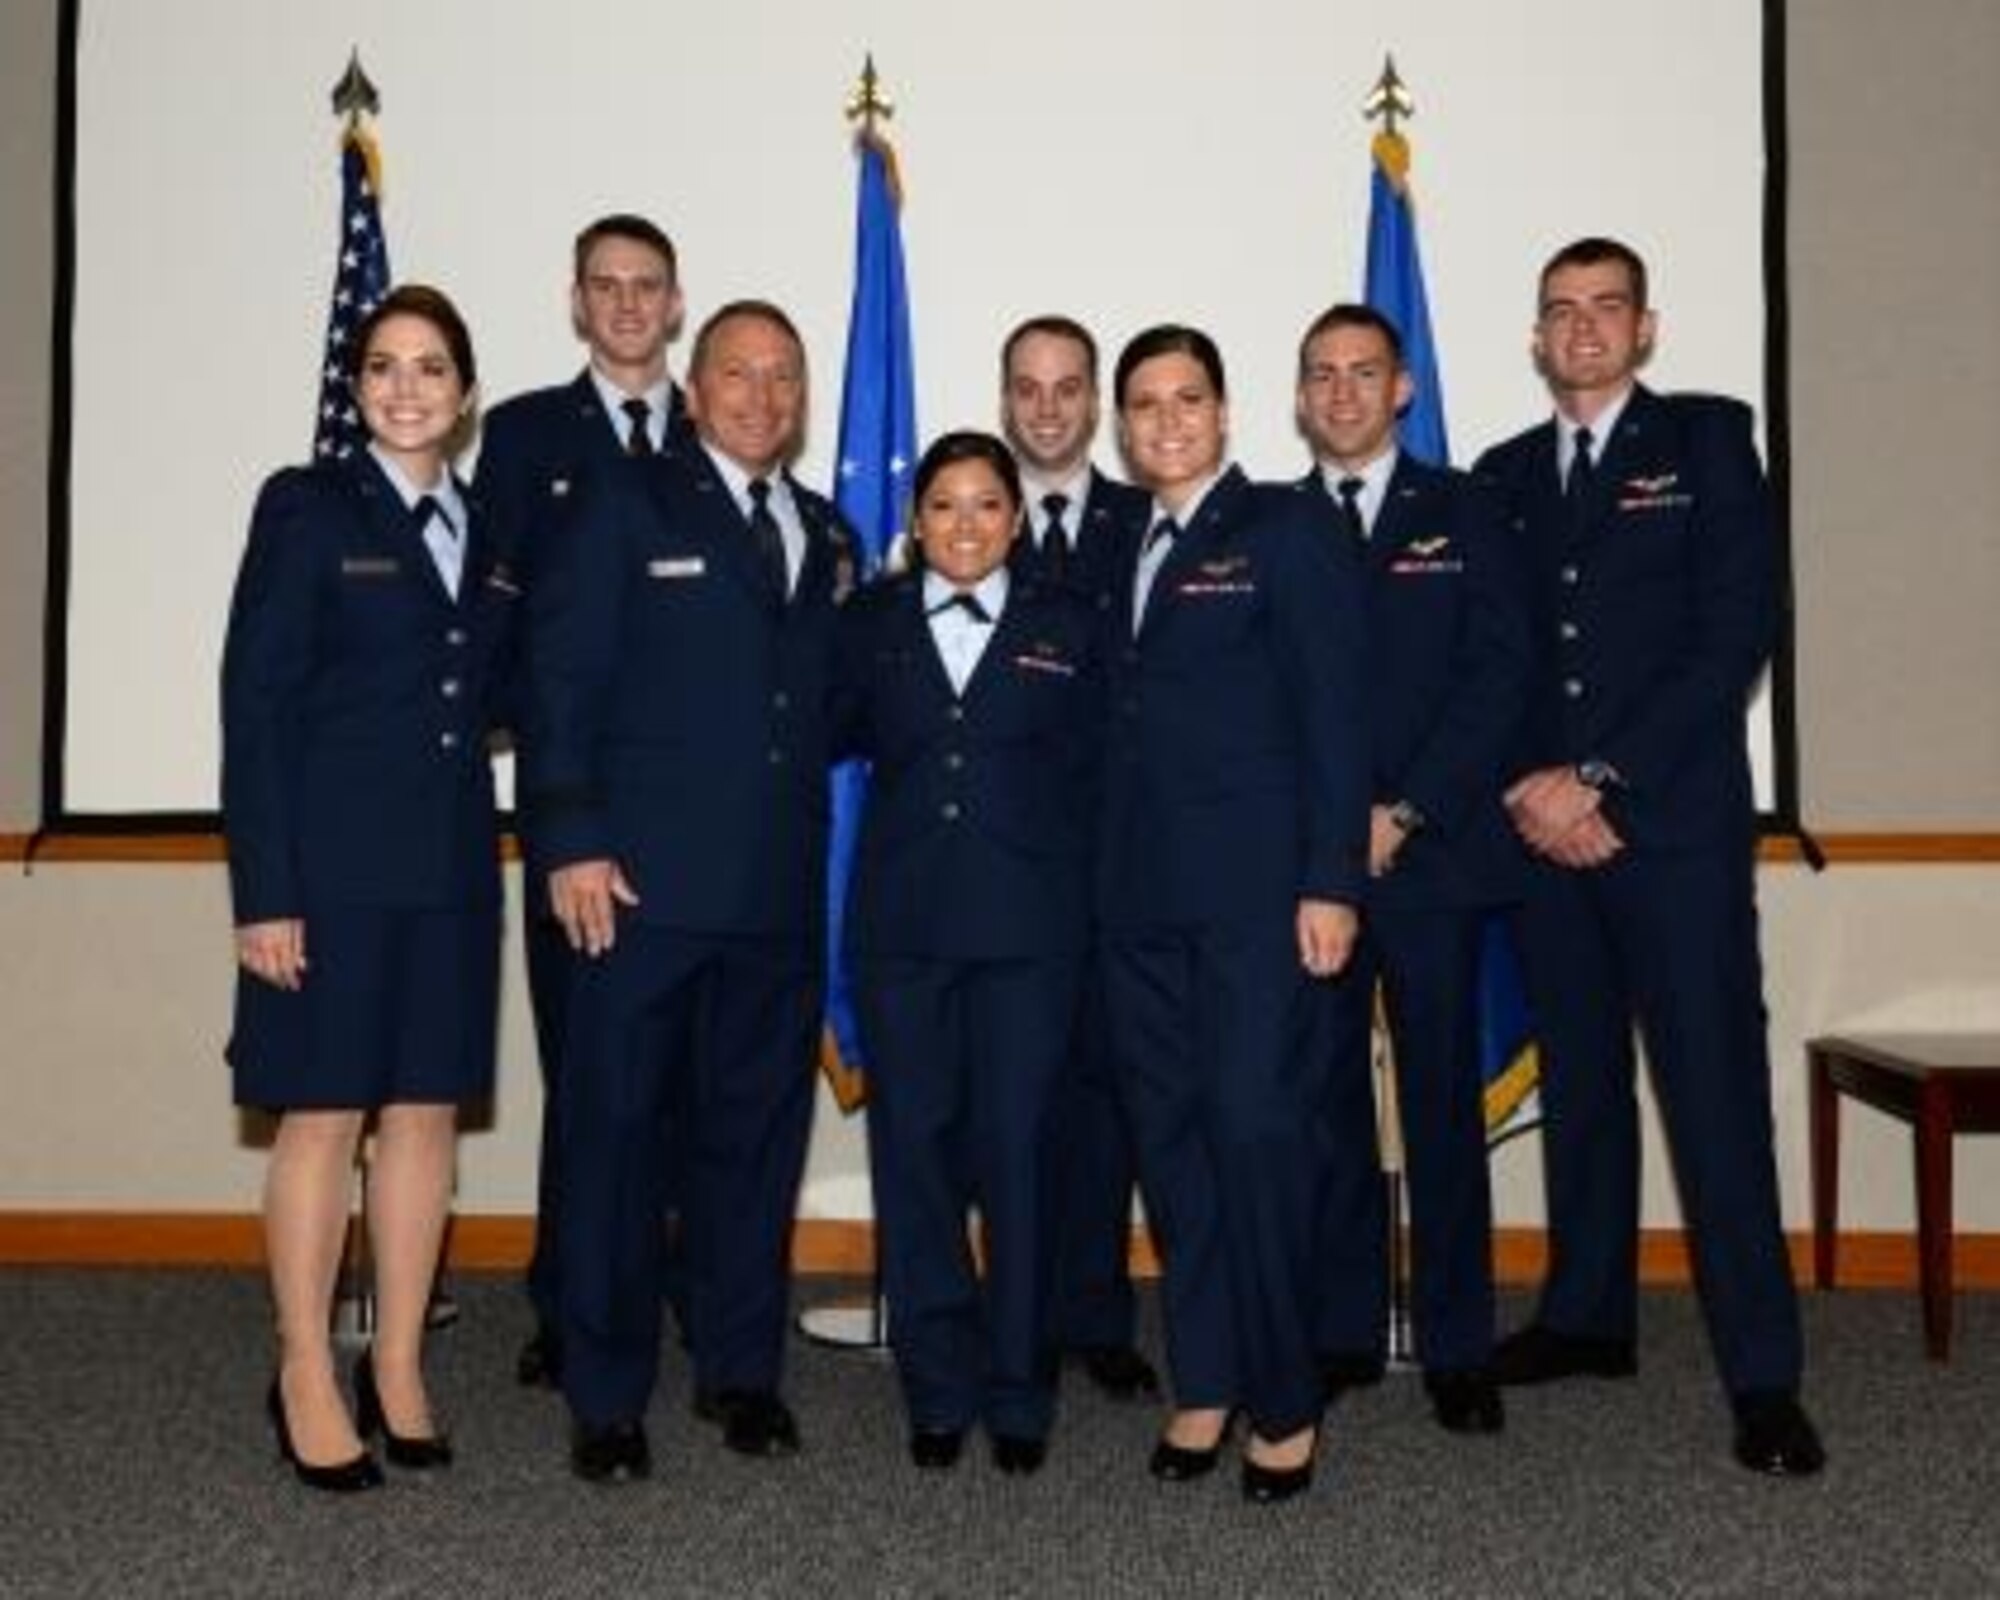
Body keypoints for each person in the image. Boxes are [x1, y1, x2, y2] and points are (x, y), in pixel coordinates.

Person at [1473, 237, 1824, 1476]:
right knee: (1577, 1084)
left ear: (1645, 329)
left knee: (1713, 1097)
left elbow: (1735, 632)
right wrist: (1530, 788)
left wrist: (1598, 776)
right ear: (1533, 336)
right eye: (1557, 310)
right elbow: (1496, 657)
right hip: (1542, 840)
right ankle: (1584, 1315)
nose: (1579, 330)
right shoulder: (1503, 474)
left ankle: (1763, 1377)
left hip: (1666, 832)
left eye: (1603, 309)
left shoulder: (1708, 442)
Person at [523, 299, 851, 1484]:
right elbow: (560, 676)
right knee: (613, 1142)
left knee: (753, 1143)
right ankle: (605, 1396)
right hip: (635, 892)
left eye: (782, 377)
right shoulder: (624, 503)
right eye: (737, 374)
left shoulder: (823, 530)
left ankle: (738, 1370)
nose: (761, 396)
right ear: (695, 388)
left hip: (772, 897)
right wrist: (567, 836)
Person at [222, 284, 509, 1491]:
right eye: (382, 367)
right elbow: (257, 705)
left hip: (447, 868)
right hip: (326, 876)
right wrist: (265, 893)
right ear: (355, 389)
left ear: (464, 391)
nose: (406, 388)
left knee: (425, 1118)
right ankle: (302, 1365)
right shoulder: (305, 507)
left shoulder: (481, 527)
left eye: (430, 367)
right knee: (324, 1116)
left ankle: (396, 1362)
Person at [1097, 325, 1369, 1502]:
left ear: (1224, 414)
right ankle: (1202, 1378)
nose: (1165, 422)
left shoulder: (1286, 531)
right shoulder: (1116, 545)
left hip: (1262, 907)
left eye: (1187, 400)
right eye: (1145, 404)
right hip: (1137, 908)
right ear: (1122, 425)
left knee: (1257, 1141)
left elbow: (1335, 719)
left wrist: (1331, 880)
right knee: (1173, 1145)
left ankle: (1284, 1395)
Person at [834, 429, 1102, 1475]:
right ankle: (937, 1386)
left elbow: (1099, 776)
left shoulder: (1070, 624)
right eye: (942, 505)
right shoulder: (868, 622)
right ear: (914, 520)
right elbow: (815, 734)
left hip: (1030, 938)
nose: (963, 524)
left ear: (1015, 518)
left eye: (986, 504)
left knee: (1020, 1158)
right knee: (915, 1160)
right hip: (902, 934)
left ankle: (1019, 1389)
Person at [1293, 303, 1531, 1434]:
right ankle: (1341, 1329)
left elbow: (1499, 674)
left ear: (1402, 389)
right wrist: (1337, 832)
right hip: (1314, 872)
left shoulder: (1464, 508)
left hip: (1434, 862)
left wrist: (1408, 808)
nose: (1342, 393)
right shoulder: (1274, 522)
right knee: (1328, 1107)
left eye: (1363, 373)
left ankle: (1456, 1345)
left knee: (1439, 1105)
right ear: (1300, 397)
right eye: (1321, 375)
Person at [477, 213, 688, 1392]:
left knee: (691, 1082)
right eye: (603, 286)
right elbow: (499, 624)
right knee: (589, 1077)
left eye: (644, 285)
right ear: (575, 301)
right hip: (579, 817)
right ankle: (571, 1303)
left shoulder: (719, 424)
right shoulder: (521, 438)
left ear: (674, 302)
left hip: (700, 819)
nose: (623, 304)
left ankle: (679, 1292)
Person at [997, 315, 1158, 1401]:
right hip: (1000, 870)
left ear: (1094, 401)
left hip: (1121, 867)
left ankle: (1095, 1314)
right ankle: (1011, 1308)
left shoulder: (1148, 521)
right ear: (1003, 397)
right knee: (1010, 1101)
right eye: (1026, 388)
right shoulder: (967, 518)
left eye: (1066, 389)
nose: (1046, 408)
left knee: (1104, 1098)